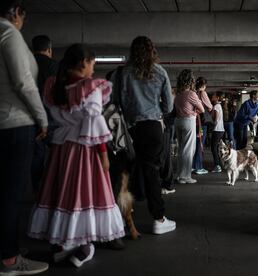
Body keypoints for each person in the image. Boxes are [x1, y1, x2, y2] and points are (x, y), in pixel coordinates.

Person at [27, 44, 125, 267]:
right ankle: (85, 246)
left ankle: (65, 243)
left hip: (61, 150)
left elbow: (53, 118)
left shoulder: (54, 86)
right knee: (86, 194)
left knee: (61, 193)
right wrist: (104, 154)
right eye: (92, 63)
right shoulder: (89, 87)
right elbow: (94, 122)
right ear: (83, 62)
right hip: (84, 150)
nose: (93, 68)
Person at [0, 1, 49, 275]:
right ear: (15, 12)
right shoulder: (8, 33)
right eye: (23, 17)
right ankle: (9, 259)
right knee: (11, 194)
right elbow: (23, 82)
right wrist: (41, 118)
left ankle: (7, 247)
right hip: (14, 123)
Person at [110, 36, 175, 234]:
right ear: (152, 51)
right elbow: (169, 106)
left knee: (124, 175)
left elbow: (115, 102)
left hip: (129, 130)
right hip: (153, 128)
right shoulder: (160, 72)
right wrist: (155, 110)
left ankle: (120, 220)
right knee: (151, 173)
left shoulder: (121, 73)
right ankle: (158, 218)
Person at [30, 34, 59, 192]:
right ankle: (54, 190)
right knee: (57, 155)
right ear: (49, 49)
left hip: (31, 117)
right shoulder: (55, 66)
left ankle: (38, 191)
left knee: (37, 155)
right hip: (53, 118)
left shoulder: (26, 64)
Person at [174, 69, 204, 184]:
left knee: (181, 149)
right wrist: (195, 111)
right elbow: (201, 109)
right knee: (188, 150)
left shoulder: (178, 93)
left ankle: (179, 175)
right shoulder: (191, 94)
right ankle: (185, 177)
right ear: (191, 80)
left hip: (178, 121)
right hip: (188, 121)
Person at [192, 77, 212, 175]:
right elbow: (210, 106)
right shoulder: (202, 93)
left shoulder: (192, 92)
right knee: (200, 145)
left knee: (194, 145)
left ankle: (192, 166)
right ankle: (198, 167)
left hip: (193, 121)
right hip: (201, 122)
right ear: (204, 85)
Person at [210, 92, 225, 173]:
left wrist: (211, 128)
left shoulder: (216, 106)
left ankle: (217, 166)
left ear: (218, 98)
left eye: (214, 96)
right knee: (216, 148)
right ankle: (219, 164)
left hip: (217, 130)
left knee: (214, 148)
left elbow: (215, 119)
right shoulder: (218, 106)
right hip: (220, 130)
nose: (212, 96)